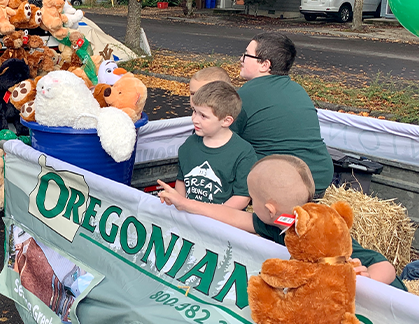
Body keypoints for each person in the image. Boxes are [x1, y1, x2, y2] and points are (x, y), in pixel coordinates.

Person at [158, 155, 406, 290]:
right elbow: (234, 217)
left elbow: (386, 266)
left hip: (392, 306)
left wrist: (367, 280)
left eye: (252, 199)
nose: (250, 205)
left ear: (269, 209)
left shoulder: (321, 229)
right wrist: (186, 203)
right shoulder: (280, 223)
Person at [231, 31, 333, 197]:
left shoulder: (246, 94)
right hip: (319, 179)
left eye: (247, 55)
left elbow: (222, 138)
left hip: (279, 185)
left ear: (264, 65)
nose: (241, 59)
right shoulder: (298, 89)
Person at [172, 81, 257, 210]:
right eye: (194, 111)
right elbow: (181, 181)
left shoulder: (243, 152)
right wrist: (180, 204)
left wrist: (209, 214)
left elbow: (242, 197)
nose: (194, 119)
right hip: (187, 220)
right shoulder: (189, 145)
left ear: (226, 121)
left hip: (221, 225)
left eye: (203, 116)